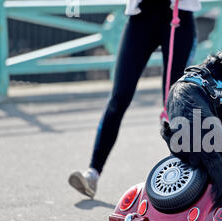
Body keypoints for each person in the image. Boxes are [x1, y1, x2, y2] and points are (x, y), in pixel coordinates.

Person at [68, 0, 200, 198]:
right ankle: (92, 174)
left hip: (178, 18)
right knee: (119, 97)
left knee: (176, 103)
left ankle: (187, 180)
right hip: (141, 18)